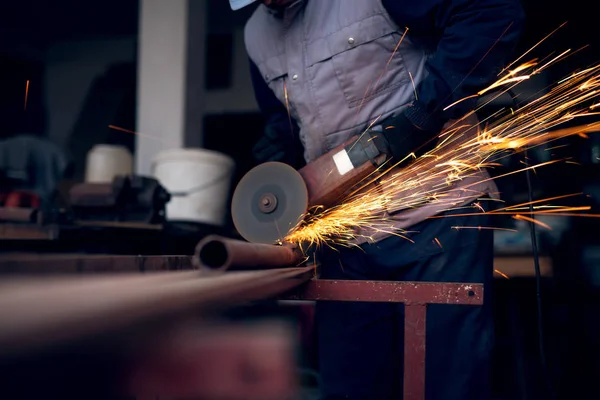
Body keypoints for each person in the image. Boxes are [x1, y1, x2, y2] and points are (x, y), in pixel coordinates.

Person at [231, 0, 525, 398]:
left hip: (436, 211)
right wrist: (276, 144)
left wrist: (426, 112)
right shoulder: (256, 35)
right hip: (344, 238)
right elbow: (288, 118)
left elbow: (490, 12)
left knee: (448, 383)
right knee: (352, 386)